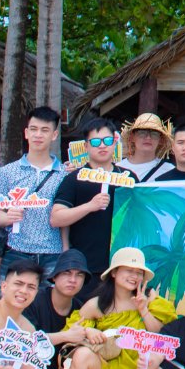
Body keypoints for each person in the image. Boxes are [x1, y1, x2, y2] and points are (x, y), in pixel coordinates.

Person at [63, 247, 177, 369]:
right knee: (82, 354)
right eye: (129, 270)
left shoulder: (151, 299)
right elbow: (71, 332)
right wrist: (88, 331)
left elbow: (161, 335)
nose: (134, 276)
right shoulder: (96, 304)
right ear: (114, 272)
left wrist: (143, 310)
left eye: (139, 272)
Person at [0, 107, 69, 277]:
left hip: (53, 252)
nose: (38, 135)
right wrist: (8, 217)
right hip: (16, 250)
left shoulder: (64, 174)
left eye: (45, 130)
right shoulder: (7, 172)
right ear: (26, 133)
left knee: (50, 296)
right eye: (34, 129)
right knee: (10, 294)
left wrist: (65, 251)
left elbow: (65, 219)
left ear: (54, 135)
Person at [49, 117, 127, 273]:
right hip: (84, 266)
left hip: (121, 265)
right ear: (86, 146)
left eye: (107, 140)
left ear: (115, 143)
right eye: (96, 142)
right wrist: (90, 206)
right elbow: (56, 218)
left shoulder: (128, 178)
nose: (102, 145)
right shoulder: (74, 178)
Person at [117, 113, 177, 183]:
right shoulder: (117, 169)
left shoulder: (169, 170)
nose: (148, 137)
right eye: (142, 133)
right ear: (132, 137)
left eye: (154, 134)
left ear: (161, 140)